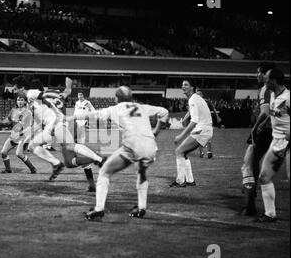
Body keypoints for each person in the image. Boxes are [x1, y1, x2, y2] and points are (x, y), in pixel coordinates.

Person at [69, 86, 169, 221]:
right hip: (150, 146)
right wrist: (156, 131)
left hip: (132, 146)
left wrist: (73, 117)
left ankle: (99, 209)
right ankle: (141, 208)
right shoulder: (141, 107)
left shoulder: (116, 109)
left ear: (117, 98)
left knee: (105, 172)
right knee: (141, 172)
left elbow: (94, 115)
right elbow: (164, 112)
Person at [15, 75, 103, 192]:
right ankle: (92, 182)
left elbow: (41, 119)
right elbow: (66, 92)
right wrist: (68, 85)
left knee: (71, 151)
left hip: (62, 124)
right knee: (70, 162)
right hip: (69, 124)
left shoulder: (37, 98)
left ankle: (95, 157)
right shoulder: (48, 97)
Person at [239, 62, 275, 216]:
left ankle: (250, 206)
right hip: (275, 132)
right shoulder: (279, 90)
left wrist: (255, 128)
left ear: (267, 74)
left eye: (259, 72)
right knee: (257, 168)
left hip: (264, 132)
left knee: (248, 166)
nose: (257, 75)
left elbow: (265, 112)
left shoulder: (265, 89)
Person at [255, 68, 289, 223]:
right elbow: (277, 116)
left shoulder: (288, 98)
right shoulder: (274, 95)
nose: (264, 80)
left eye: (267, 78)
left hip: (287, 142)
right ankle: (270, 214)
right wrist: (264, 124)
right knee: (264, 176)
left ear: (274, 80)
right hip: (276, 141)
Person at [170, 80, 212, 188]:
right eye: (182, 84)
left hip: (202, 130)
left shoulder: (193, 99)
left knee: (179, 151)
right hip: (205, 130)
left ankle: (180, 181)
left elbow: (194, 121)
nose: (183, 86)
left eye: (186, 84)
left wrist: (181, 135)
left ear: (192, 87)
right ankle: (190, 180)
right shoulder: (195, 98)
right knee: (183, 153)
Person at [0, 95, 37, 174]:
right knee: (3, 152)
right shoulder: (13, 110)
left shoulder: (28, 113)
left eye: (22, 100)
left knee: (19, 154)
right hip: (13, 136)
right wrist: (0, 122)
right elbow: (8, 121)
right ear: (16, 101)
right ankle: (8, 169)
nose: (20, 102)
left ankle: (33, 169)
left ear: (25, 102)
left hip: (22, 137)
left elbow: (30, 126)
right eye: (18, 100)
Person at [195, 88, 221, 158]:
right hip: (199, 123)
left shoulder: (207, 101)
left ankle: (209, 152)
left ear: (202, 95)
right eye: (197, 94)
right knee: (199, 137)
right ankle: (201, 152)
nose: (198, 95)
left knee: (208, 137)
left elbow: (214, 110)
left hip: (207, 122)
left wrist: (217, 117)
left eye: (199, 94)